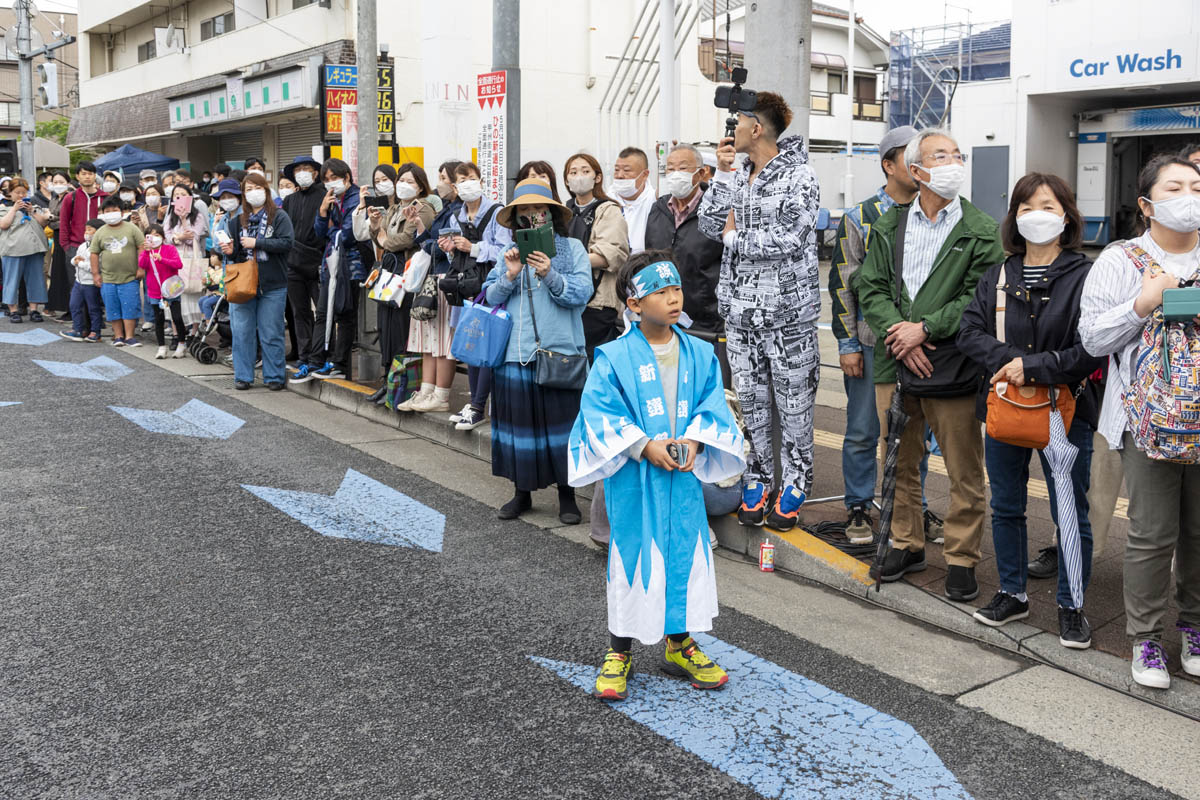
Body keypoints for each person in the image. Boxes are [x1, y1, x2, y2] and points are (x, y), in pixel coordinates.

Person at [567, 250, 747, 701]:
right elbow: (598, 413)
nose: (673, 299)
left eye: (676, 290)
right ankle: (619, 650)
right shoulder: (612, 357)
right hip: (634, 477)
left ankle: (680, 644)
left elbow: (713, 406)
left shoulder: (700, 352)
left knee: (683, 555)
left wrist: (699, 443)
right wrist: (644, 445)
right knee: (633, 557)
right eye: (660, 292)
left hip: (682, 476)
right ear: (633, 303)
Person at [856, 127, 1004, 601]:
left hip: (954, 362)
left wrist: (925, 329)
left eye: (957, 154)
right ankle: (907, 541)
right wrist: (900, 333)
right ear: (916, 171)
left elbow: (977, 298)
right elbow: (870, 288)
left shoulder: (981, 230)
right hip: (894, 360)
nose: (952, 162)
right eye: (940, 156)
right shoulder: (889, 225)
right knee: (898, 457)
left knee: (963, 466)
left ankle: (961, 558)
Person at [958, 172, 1102, 647]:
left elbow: (1092, 347)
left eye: (1047, 205)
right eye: (1026, 207)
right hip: (1004, 406)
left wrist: (1033, 367)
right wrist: (1013, 365)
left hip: (1065, 410)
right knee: (1006, 505)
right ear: (1014, 218)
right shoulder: (997, 275)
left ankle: (1071, 604)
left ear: (1066, 216)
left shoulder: (1086, 276)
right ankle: (1012, 593)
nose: (1036, 215)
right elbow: (970, 333)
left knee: (1069, 510)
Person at [1080, 153, 1200, 690]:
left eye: (1197, 186)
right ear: (1148, 204)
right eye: (1176, 187)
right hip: (1146, 418)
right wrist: (1143, 303)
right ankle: (1146, 638)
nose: (1191, 196)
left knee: (1199, 532)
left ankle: (1194, 628)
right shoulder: (1122, 259)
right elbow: (1092, 340)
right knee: (1153, 533)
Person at [698, 90, 821, 533]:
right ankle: (759, 477)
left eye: (739, 122)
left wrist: (738, 241)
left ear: (759, 127)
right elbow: (711, 225)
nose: (732, 130)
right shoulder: (739, 173)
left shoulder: (800, 177)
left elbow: (792, 240)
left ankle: (795, 483)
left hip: (788, 314)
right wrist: (724, 174)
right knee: (750, 403)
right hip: (740, 311)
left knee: (794, 406)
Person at [828, 125, 942, 544]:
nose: (919, 163)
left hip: (924, 344)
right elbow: (842, 282)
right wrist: (848, 344)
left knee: (917, 434)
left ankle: (916, 507)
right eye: (909, 156)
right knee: (863, 429)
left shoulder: (940, 213)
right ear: (889, 165)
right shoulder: (860, 217)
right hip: (873, 345)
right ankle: (859, 506)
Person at [483, 178, 591, 523]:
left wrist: (549, 273)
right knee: (519, 428)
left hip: (558, 351)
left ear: (551, 214)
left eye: (537, 210)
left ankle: (567, 496)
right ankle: (521, 493)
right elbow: (490, 297)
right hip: (514, 353)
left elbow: (581, 294)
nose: (531, 216)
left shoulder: (572, 249)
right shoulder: (507, 254)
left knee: (563, 427)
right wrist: (510, 275)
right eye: (523, 211)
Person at [444, 161, 512, 426]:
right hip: (466, 286)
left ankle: (477, 406)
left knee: (485, 345)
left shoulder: (497, 213)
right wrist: (450, 248)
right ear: (454, 186)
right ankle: (474, 404)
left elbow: (505, 251)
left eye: (471, 178)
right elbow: (455, 257)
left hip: (490, 287)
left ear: (481, 181)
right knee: (471, 344)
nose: (467, 184)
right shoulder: (455, 216)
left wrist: (473, 248)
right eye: (461, 180)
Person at [216, 173, 295, 391]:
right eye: (247, 189)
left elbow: (287, 243)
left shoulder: (279, 216)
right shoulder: (235, 222)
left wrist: (257, 242)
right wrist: (231, 252)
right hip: (242, 283)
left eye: (256, 187)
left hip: (273, 285)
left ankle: (274, 377)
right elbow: (233, 254)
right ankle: (243, 376)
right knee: (242, 332)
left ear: (266, 190)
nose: (252, 193)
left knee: (272, 332)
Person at [645, 143, 724, 336]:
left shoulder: (715, 210)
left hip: (704, 319)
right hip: (662, 315)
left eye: (682, 168)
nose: (675, 174)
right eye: (670, 168)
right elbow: (650, 258)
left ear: (700, 173)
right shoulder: (659, 209)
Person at [564, 152, 630, 358]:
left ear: (597, 177)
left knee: (593, 360)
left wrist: (567, 261)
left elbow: (612, 254)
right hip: (565, 296)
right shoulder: (564, 211)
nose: (579, 176)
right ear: (566, 180)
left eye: (585, 171)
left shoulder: (608, 210)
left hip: (597, 301)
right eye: (573, 172)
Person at [312, 158, 363, 380]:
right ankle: (318, 360)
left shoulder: (357, 197)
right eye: (327, 179)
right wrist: (323, 212)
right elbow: (320, 233)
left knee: (345, 314)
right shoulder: (331, 199)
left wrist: (335, 231)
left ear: (347, 177)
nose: (331, 183)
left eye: (335, 178)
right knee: (323, 313)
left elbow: (350, 235)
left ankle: (340, 365)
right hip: (330, 262)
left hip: (352, 265)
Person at [282, 156, 326, 384]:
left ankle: (322, 354)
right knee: (299, 312)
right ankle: (304, 354)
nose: (302, 173)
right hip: (292, 263)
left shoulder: (325, 195)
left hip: (318, 260)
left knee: (322, 312)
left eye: (306, 169)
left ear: (316, 172)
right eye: (297, 169)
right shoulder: (290, 199)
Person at [91, 196, 145, 346]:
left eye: (114, 210)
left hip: (130, 277)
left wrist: (141, 267)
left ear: (121, 212)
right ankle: (118, 336)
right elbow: (94, 253)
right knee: (112, 307)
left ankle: (129, 336)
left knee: (130, 306)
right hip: (108, 278)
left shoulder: (132, 228)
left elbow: (142, 247)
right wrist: (96, 274)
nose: (111, 213)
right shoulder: (100, 232)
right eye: (107, 211)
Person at [0, 178, 51, 323]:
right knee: (12, 280)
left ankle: (34, 310)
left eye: (24, 192)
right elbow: (3, 224)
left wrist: (32, 211)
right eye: (17, 192)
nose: (21, 195)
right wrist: (15, 209)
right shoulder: (3, 207)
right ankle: (13, 310)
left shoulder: (33, 207)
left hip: (35, 249)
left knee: (36, 280)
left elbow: (43, 223)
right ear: (10, 193)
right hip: (12, 250)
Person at [164, 183, 210, 338]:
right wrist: (178, 238)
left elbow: (193, 238)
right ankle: (178, 332)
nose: (179, 197)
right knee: (175, 294)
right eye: (176, 195)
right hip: (173, 259)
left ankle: (194, 330)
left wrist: (184, 221)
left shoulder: (197, 216)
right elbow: (166, 237)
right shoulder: (170, 216)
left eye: (183, 194)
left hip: (191, 259)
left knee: (191, 293)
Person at [138, 223, 188, 359]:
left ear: (163, 237)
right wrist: (146, 251)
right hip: (155, 291)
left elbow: (178, 264)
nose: (154, 238)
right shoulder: (147, 252)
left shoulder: (169, 249)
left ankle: (182, 344)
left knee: (177, 317)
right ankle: (161, 347)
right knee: (158, 320)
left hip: (171, 289)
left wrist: (162, 259)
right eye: (150, 235)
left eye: (157, 235)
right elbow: (142, 265)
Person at [59, 162, 108, 272]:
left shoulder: (106, 198)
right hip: (76, 247)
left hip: (101, 247)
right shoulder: (70, 197)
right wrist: (67, 247)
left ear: (95, 176)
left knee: (101, 282)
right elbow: (64, 223)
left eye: (90, 174)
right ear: (77, 176)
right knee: (77, 284)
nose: (87, 177)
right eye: (84, 174)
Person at [59, 219, 103, 342]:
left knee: (93, 308)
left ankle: (95, 332)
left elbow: (96, 267)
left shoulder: (100, 247)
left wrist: (81, 263)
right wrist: (76, 261)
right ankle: (77, 329)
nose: (87, 232)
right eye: (86, 229)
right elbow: (74, 260)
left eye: (90, 230)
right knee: (74, 305)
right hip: (79, 281)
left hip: (90, 283)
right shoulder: (83, 245)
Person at [611, 146, 656, 254]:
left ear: (645, 175)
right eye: (617, 170)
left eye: (626, 170)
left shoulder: (654, 199)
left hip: (645, 266)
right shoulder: (607, 201)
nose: (620, 175)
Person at [44, 171, 73, 320]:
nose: (58, 185)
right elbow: (52, 221)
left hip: (68, 236)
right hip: (56, 234)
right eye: (55, 182)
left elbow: (68, 220)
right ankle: (58, 306)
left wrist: (52, 217)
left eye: (61, 182)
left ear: (68, 183)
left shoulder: (71, 197)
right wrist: (50, 218)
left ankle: (71, 309)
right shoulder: (54, 197)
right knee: (58, 271)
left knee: (68, 272)